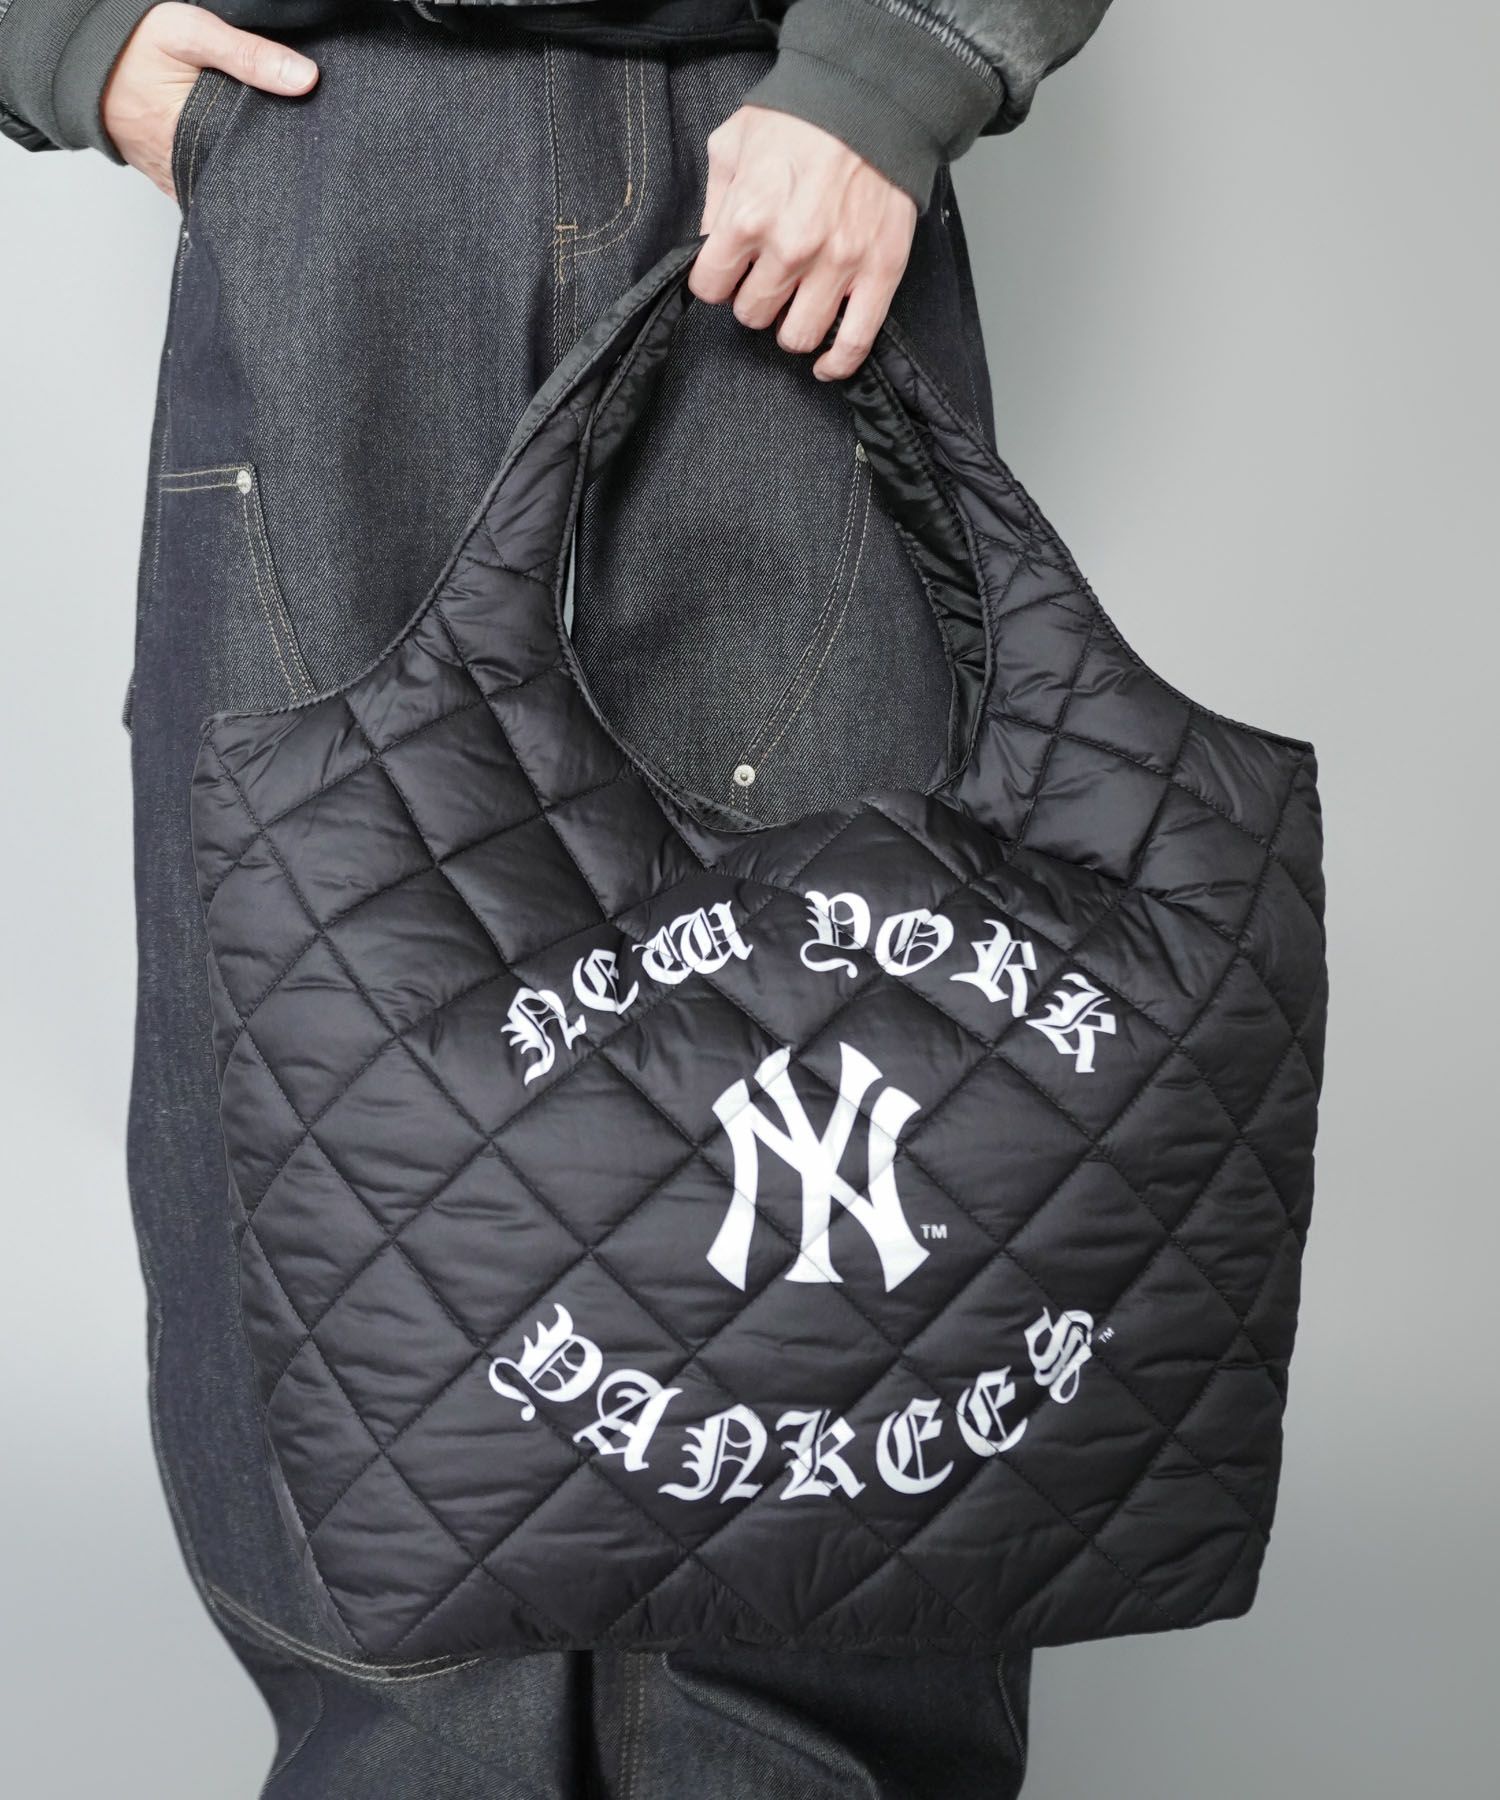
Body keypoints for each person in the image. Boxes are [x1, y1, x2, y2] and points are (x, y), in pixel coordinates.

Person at [1, 2, 1113, 1792]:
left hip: (777, 146)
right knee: (332, 1131)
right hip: (339, 159)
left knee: (840, 1130)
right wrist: (63, 32)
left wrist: (896, 60)